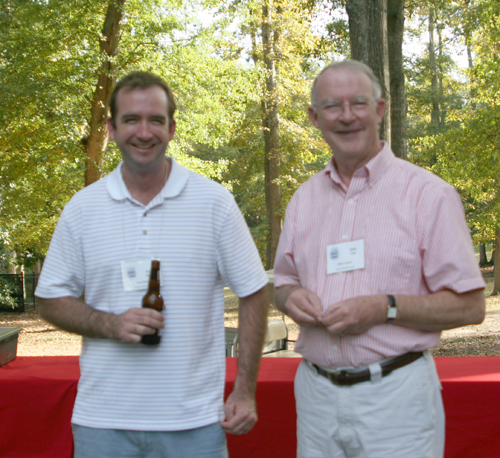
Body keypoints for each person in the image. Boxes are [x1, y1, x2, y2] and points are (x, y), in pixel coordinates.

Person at [35, 71, 269, 458]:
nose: (144, 132)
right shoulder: (83, 208)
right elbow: (49, 299)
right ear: (111, 129)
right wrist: (110, 324)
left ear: (171, 128)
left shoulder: (214, 203)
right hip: (102, 424)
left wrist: (245, 390)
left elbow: (254, 291)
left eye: (155, 120)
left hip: (194, 424)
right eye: (131, 120)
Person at [274, 60, 486, 458]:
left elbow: (471, 306)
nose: (347, 116)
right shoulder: (303, 200)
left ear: (380, 110)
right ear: (315, 117)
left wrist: (384, 308)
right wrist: (290, 298)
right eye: (333, 106)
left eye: (358, 102)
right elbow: (283, 284)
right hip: (316, 397)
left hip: (396, 397)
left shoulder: (429, 195)